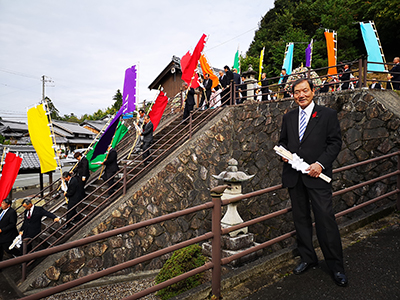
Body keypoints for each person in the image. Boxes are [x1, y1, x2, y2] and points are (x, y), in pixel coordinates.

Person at [278, 78, 347, 287]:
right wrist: (283, 153)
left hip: (317, 176)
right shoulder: (289, 117)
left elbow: (335, 143)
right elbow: (282, 141)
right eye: (297, 92)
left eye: (305, 91)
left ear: (313, 91)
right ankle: (308, 257)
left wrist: (320, 164)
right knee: (301, 219)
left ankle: (336, 266)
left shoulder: (327, 115)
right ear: (293, 94)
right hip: (295, 176)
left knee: (325, 220)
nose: (301, 95)